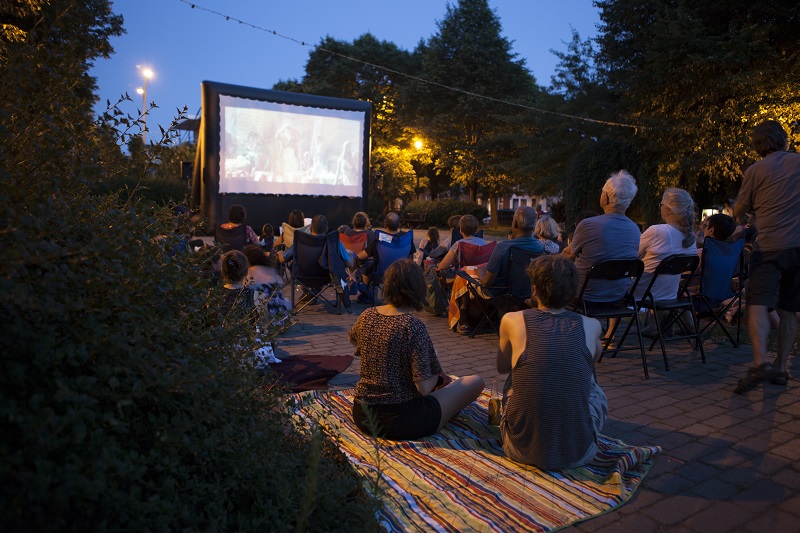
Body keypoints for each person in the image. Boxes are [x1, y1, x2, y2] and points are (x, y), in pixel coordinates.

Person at [350, 259, 484, 440]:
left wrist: (383, 353)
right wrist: (434, 373)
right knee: (475, 382)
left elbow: (353, 340)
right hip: (402, 421)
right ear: (418, 289)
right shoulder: (411, 326)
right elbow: (424, 388)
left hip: (363, 414)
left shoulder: (367, 315)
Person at [497, 254, 607, 469]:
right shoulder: (592, 325)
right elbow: (595, 359)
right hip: (579, 453)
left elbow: (502, 367)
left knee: (516, 373)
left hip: (519, 449)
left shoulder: (511, 319)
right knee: (592, 384)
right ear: (573, 292)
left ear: (535, 290)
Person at [732, 120, 800, 392]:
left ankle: (761, 362)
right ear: (783, 139)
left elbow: (739, 209)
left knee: (757, 302)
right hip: (799, 248)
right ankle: (781, 368)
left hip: (770, 246)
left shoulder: (755, 170)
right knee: (788, 310)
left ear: (757, 146)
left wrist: (744, 215)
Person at [563, 171, 641, 303]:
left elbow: (569, 255)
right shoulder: (635, 229)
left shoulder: (587, 224)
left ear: (605, 197)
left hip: (583, 295)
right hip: (617, 296)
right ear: (628, 203)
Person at [218, 250, 281, 367]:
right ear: (246, 271)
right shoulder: (257, 296)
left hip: (221, 354)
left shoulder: (213, 296)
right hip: (249, 355)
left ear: (222, 271)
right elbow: (265, 328)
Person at [243, 245, 291, 329]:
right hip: (281, 320)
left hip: (262, 321)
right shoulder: (272, 270)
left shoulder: (248, 273)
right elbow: (280, 286)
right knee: (285, 300)